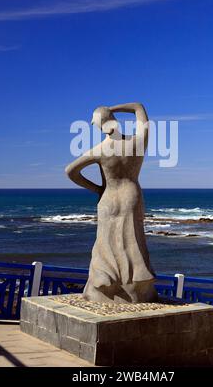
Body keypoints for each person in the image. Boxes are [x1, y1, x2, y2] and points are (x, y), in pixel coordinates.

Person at [66, 103, 157, 303]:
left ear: (99, 125)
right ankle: (137, 283)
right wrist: (115, 108)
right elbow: (139, 109)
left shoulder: (100, 149)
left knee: (105, 243)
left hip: (108, 197)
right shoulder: (137, 143)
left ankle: (104, 282)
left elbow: (70, 171)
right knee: (132, 239)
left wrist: (97, 188)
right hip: (130, 195)